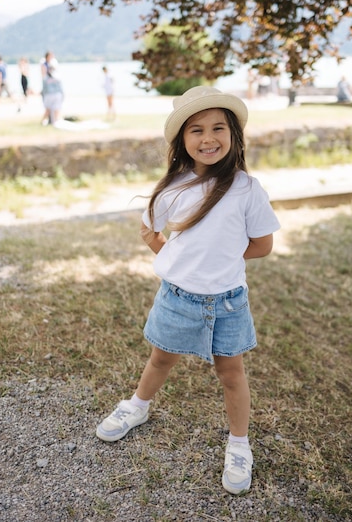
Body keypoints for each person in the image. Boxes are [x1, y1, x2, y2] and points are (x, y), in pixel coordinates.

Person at [96, 86, 281, 495]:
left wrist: (222, 259)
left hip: (229, 301)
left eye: (218, 127)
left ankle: (239, 444)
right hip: (177, 297)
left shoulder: (247, 189)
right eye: (196, 130)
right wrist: (177, 257)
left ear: (234, 135)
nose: (208, 138)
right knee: (160, 358)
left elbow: (263, 245)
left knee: (230, 373)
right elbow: (150, 229)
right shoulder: (174, 188)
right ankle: (137, 407)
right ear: (182, 139)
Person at [41, 54, 64, 125]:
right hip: (53, 94)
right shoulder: (54, 77)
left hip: (51, 94)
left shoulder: (48, 77)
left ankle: (51, 122)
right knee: (52, 110)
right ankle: (53, 122)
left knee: (50, 109)